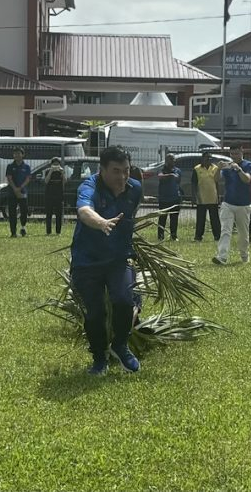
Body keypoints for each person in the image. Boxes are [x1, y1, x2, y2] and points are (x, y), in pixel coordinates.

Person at [70, 145, 142, 376]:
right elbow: (83, 210)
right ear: (102, 169)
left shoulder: (135, 189)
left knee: (123, 300)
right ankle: (99, 358)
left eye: (126, 170)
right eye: (116, 171)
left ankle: (120, 345)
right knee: (95, 312)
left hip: (118, 259)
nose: (122, 177)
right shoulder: (89, 186)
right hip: (87, 261)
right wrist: (101, 223)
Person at [212, 144, 251, 265]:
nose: (235, 156)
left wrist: (238, 169)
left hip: (243, 205)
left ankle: (245, 256)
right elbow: (216, 179)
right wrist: (218, 169)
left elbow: (247, 179)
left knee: (243, 233)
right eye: (232, 154)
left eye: (237, 153)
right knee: (225, 230)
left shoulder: (247, 165)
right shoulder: (227, 166)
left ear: (242, 151)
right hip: (228, 203)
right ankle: (222, 256)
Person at [192, 151, 221, 242]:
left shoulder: (215, 168)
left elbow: (217, 183)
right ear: (202, 158)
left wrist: (218, 195)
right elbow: (193, 184)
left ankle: (217, 236)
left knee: (215, 219)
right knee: (201, 219)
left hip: (213, 197)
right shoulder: (197, 169)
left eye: (210, 157)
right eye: (207, 157)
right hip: (202, 198)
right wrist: (194, 196)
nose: (209, 159)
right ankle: (198, 236)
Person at [5, 148, 31, 237]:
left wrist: (20, 188)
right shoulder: (10, 166)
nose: (17, 155)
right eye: (15, 154)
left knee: (24, 211)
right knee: (12, 213)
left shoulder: (26, 166)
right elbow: (9, 178)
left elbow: (28, 179)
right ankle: (13, 232)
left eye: (19, 153)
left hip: (23, 192)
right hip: (12, 192)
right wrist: (15, 189)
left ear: (23, 155)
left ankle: (23, 227)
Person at [156, 153, 182, 242]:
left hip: (175, 198)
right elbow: (160, 177)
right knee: (162, 218)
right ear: (166, 160)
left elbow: (178, 181)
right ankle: (160, 236)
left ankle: (174, 236)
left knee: (174, 218)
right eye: (171, 159)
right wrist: (170, 175)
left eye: (174, 159)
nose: (173, 161)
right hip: (164, 199)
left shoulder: (177, 170)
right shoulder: (162, 170)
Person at [43, 157, 66, 235]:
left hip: (59, 196)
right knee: (48, 214)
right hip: (49, 195)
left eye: (57, 164)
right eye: (54, 164)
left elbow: (65, 182)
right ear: (51, 165)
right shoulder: (47, 171)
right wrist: (51, 171)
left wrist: (62, 173)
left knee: (59, 215)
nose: (56, 166)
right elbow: (46, 181)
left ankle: (58, 232)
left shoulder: (61, 171)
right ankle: (48, 232)